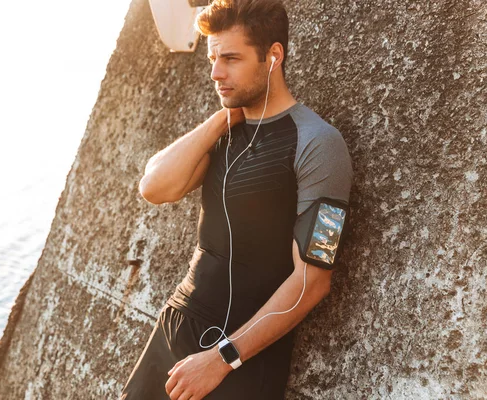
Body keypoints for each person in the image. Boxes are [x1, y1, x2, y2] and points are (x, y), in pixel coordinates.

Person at [121, 0, 353, 399]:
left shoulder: (318, 144)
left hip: (238, 358)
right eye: (213, 58)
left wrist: (220, 358)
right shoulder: (226, 129)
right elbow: (154, 187)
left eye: (230, 58)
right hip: (175, 329)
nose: (215, 72)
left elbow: (312, 281)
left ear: (273, 56)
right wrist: (220, 120)